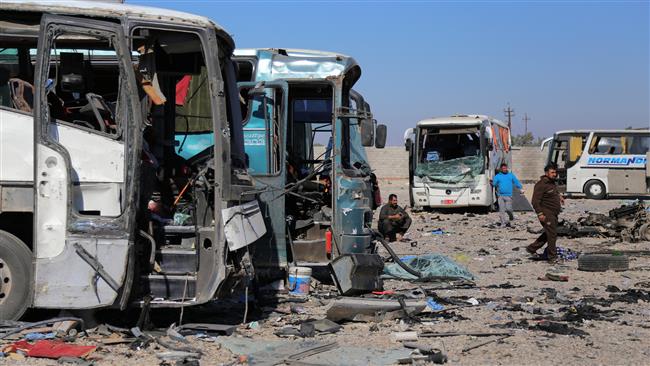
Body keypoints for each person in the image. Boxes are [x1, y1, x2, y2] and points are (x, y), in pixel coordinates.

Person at [526, 163, 564, 264]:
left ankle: (531, 248)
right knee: (552, 235)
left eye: (555, 172)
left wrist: (559, 197)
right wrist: (540, 214)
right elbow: (535, 201)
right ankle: (552, 257)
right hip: (546, 213)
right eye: (552, 172)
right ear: (546, 173)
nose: (554, 174)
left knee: (548, 233)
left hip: (554, 213)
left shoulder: (551, 183)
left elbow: (553, 192)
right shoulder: (541, 184)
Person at [491, 163, 524, 227]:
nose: (504, 169)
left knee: (508, 209)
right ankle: (503, 223)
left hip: (509, 195)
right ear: (501, 169)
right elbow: (494, 184)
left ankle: (511, 216)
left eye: (505, 168)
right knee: (501, 210)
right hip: (500, 196)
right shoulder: (498, 176)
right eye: (503, 168)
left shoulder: (511, 175)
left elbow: (516, 182)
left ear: (507, 168)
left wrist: (520, 188)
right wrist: (492, 182)